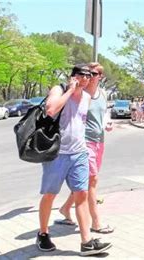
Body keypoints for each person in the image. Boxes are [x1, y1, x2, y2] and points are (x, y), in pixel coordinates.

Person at [37, 64, 112, 256]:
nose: (87, 78)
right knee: (49, 195)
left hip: (79, 152)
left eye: (89, 75)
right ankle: (43, 233)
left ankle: (86, 241)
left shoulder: (87, 97)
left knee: (81, 195)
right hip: (58, 153)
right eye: (83, 75)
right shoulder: (59, 89)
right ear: (73, 76)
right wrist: (71, 89)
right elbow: (51, 110)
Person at [57, 62, 115, 235]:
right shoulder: (79, 94)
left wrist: (108, 123)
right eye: (87, 73)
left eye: (94, 74)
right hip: (84, 142)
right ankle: (96, 223)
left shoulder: (102, 94)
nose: (89, 77)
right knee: (92, 181)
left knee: (85, 182)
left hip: (99, 141)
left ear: (100, 77)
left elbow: (103, 114)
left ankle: (65, 209)